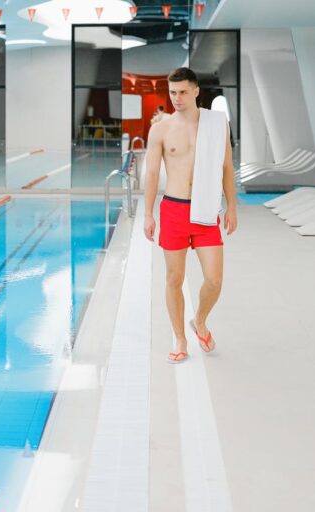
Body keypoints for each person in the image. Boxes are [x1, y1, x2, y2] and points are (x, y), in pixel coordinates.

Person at [142, 67, 237, 363]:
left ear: (196, 90)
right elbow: (153, 173)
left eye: (183, 92)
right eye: (172, 92)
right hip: (173, 209)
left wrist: (232, 206)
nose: (177, 98)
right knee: (174, 278)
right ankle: (180, 337)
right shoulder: (161, 128)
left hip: (206, 209)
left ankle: (200, 320)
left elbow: (225, 167)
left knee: (214, 280)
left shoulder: (216, 123)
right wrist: (147, 213)